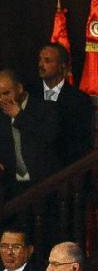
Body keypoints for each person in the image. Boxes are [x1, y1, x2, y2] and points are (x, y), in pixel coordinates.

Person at [0, 68, 60, 198]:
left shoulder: (44, 108)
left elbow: (49, 136)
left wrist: (19, 116)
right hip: (12, 188)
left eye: (6, 93)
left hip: (43, 186)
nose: (2, 99)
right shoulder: (1, 114)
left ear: (19, 88)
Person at [30, 43, 93, 165]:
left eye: (47, 60)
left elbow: (80, 142)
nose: (40, 65)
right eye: (40, 60)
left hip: (65, 171)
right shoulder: (30, 93)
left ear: (62, 67)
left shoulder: (80, 100)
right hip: (34, 171)